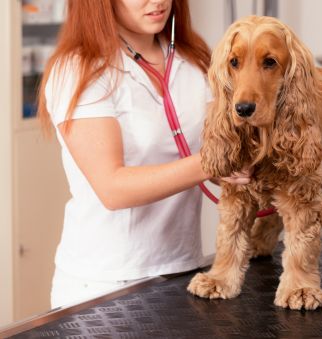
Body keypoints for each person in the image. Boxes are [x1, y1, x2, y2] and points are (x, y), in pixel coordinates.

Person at [38, 0, 249, 309]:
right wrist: (209, 162)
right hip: (105, 283)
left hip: (184, 269)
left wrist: (263, 163)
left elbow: (221, 148)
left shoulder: (192, 58)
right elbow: (113, 188)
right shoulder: (79, 68)